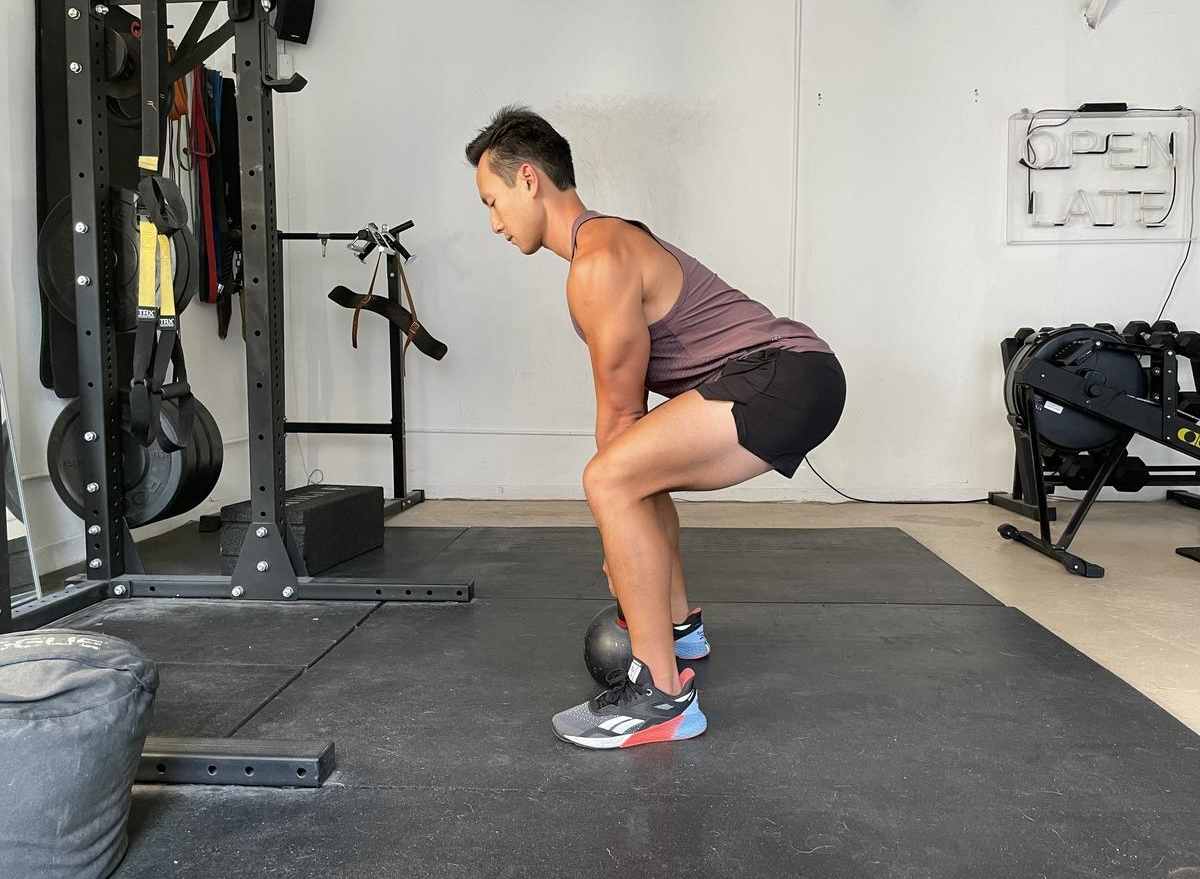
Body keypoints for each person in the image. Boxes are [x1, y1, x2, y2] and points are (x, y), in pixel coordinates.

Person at [465, 105, 846, 749]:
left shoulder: (597, 263)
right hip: (798, 373)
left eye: (493, 201)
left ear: (529, 179)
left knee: (610, 478)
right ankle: (677, 627)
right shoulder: (609, 241)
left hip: (781, 376)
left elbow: (618, 417)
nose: (495, 223)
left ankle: (661, 697)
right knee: (630, 477)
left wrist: (618, 545)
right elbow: (637, 445)